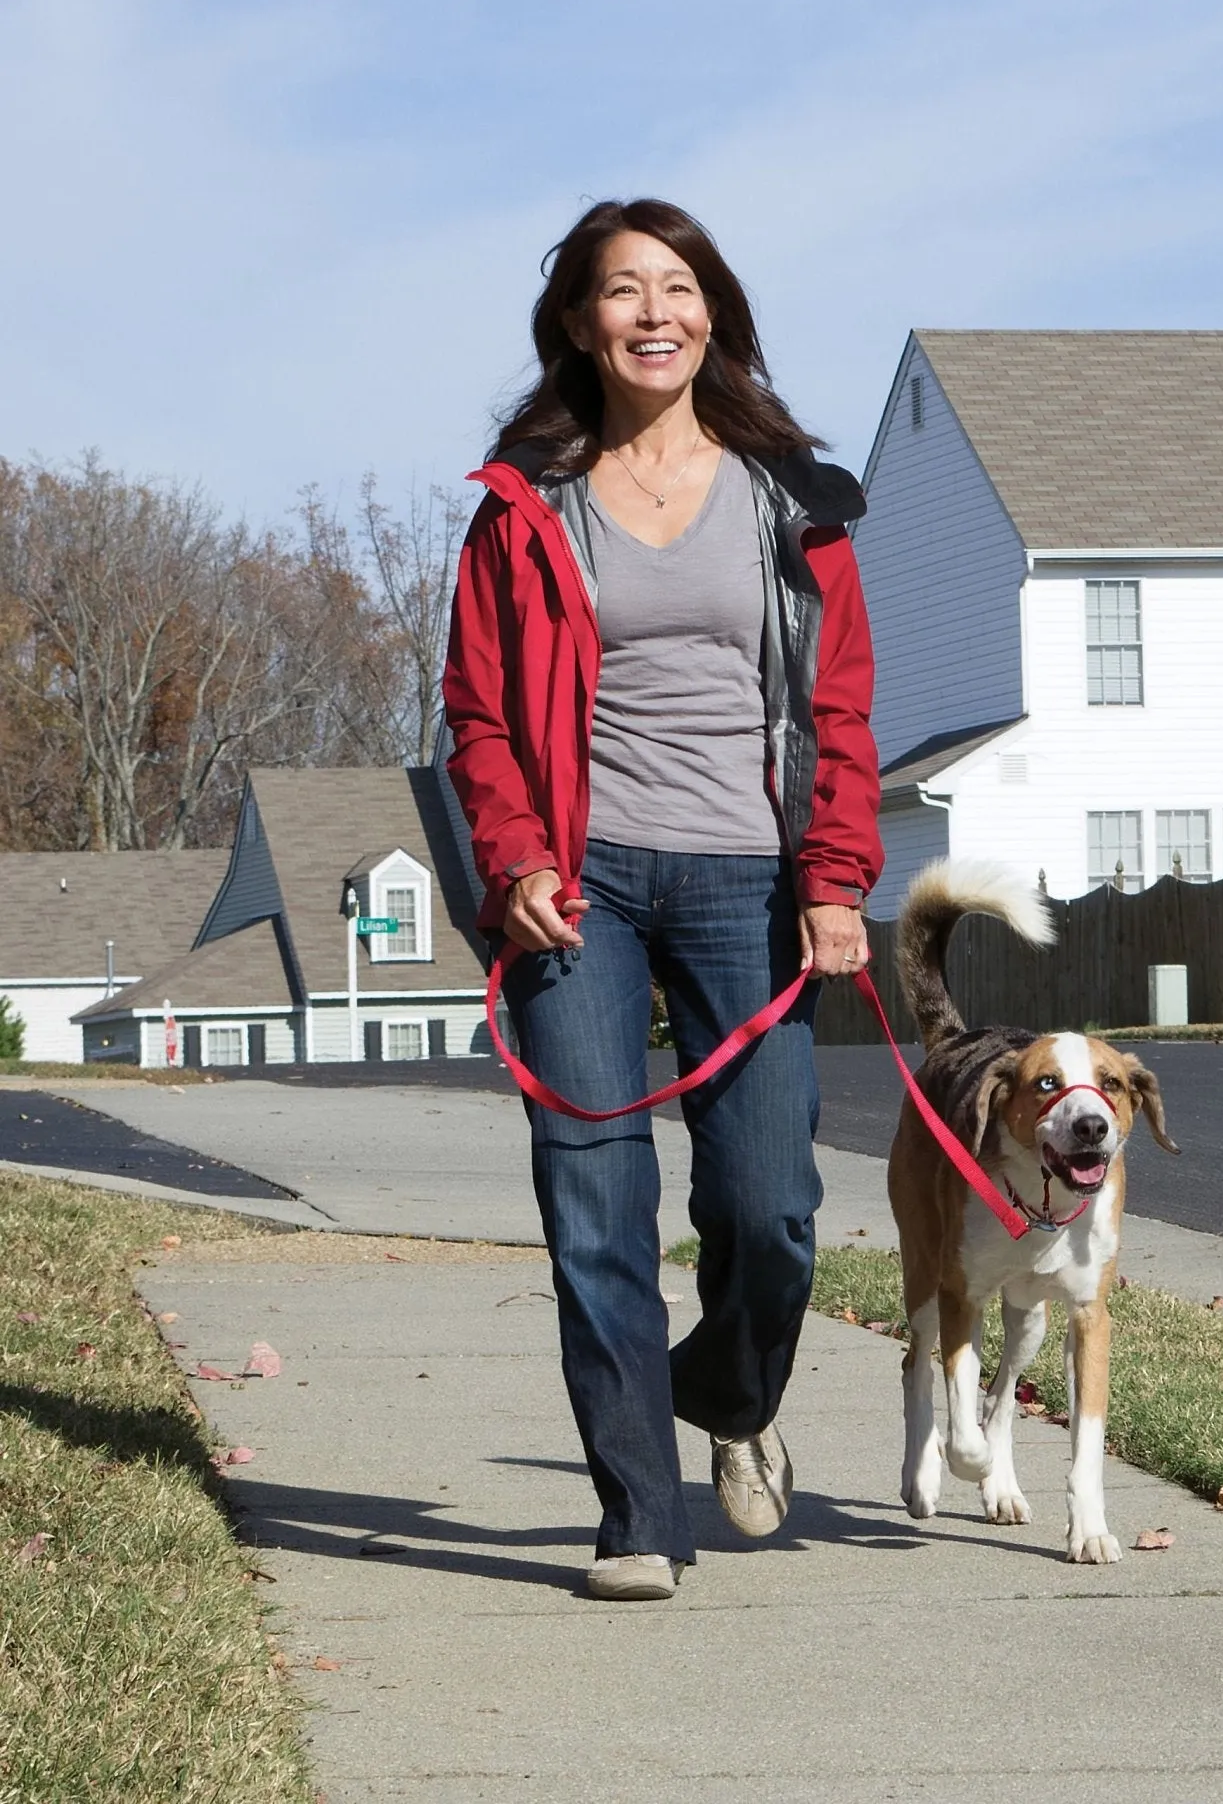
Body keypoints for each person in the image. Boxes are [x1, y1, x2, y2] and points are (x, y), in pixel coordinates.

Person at [442, 198, 882, 1602]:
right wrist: (514, 861)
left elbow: (841, 708)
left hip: (749, 878)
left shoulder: (792, 499)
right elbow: (478, 715)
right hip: (580, 886)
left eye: (677, 287)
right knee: (596, 1205)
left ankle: (733, 1394)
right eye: (622, 290)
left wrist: (834, 881)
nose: (652, 313)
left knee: (770, 1208)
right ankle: (639, 1513)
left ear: (714, 315)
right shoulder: (522, 509)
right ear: (578, 321)